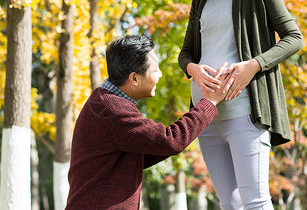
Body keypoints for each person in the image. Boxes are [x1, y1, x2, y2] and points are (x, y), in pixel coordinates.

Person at [176, 0, 303, 210]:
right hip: (205, 113)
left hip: (245, 110)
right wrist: (194, 70)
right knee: (229, 204)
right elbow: (185, 54)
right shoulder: (200, 1)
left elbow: (294, 38)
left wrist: (253, 66)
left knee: (255, 202)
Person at [65, 35, 231, 210]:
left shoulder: (106, 102)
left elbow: (150, 149)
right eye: (155, 70)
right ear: (134, 78)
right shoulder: (112, 109)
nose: (160, 75)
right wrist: (209, 102)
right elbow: (170, 141)